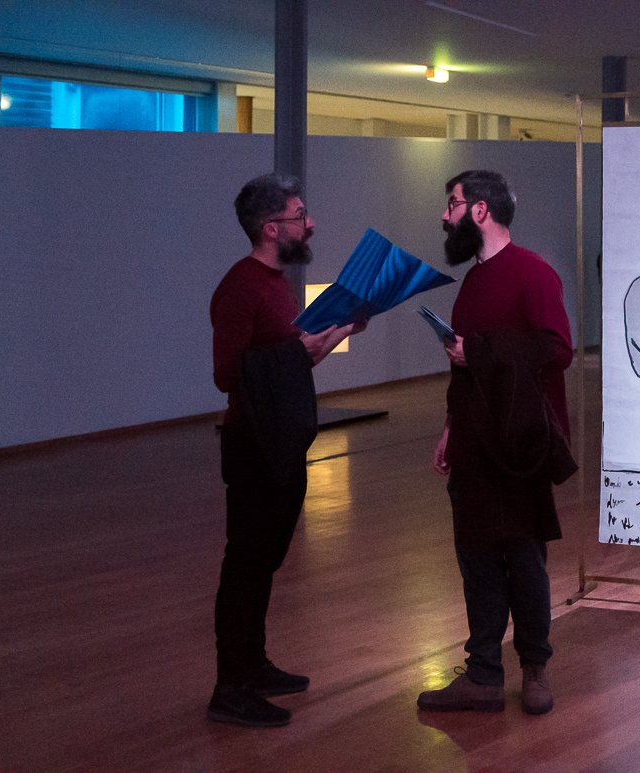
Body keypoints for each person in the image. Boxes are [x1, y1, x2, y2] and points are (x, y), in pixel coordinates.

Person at [417, 170, 575, 716]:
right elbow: (465, 367)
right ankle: (483, 673)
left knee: (523, 557)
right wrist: (450, 426)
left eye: (453, 204)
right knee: (477, 559)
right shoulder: (472, 282)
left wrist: (480, 350)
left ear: (480, 210)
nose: (445, 216)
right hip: (475, 440)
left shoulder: (532, 272)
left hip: (519, 443)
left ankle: (534, 669)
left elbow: (557, 349)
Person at [208, 172, 363, 727]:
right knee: (246, 565)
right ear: (272, 228)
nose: (310, 223)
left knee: (266, 562)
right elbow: (228, 374)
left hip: (282, 438)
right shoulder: (240, 286)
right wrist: (298, 350)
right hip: (253, 443)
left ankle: (253, 665)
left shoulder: (276, 284)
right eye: (300, 215)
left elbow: (296, 359)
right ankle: (230, 688)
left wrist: (341, 330)